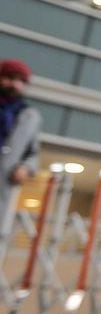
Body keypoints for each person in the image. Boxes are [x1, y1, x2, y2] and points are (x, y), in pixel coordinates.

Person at [0, 59, 40, 235]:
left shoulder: (30, 116)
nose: (15, 84)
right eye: (10, 77)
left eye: (21, 81)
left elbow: (33, 154)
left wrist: (25, 167)